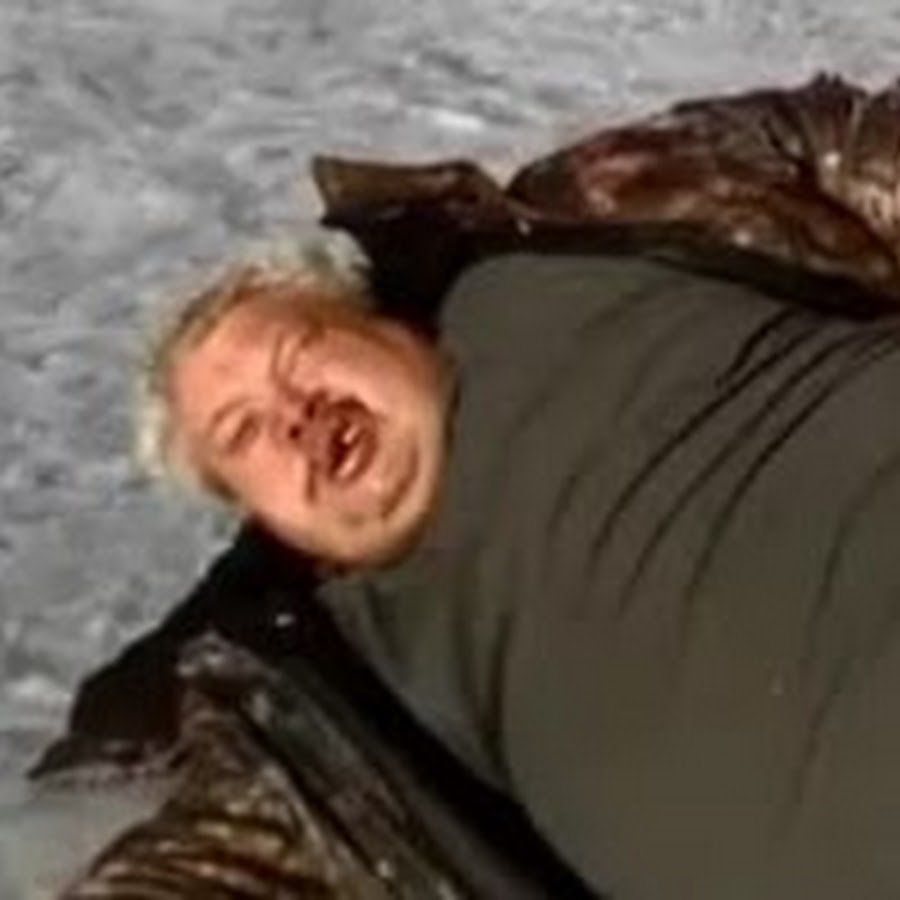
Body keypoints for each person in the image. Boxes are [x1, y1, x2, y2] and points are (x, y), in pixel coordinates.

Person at [38, 74, 900, 898]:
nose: (293, 415)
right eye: (242, 433)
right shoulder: (330, 704)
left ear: (374, 315)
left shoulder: (578, 231)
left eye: (298, 355)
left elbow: (837, 141)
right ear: (255, 515)